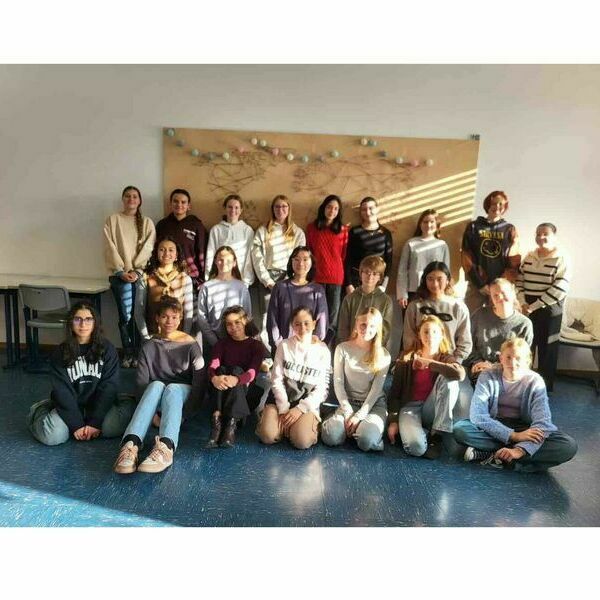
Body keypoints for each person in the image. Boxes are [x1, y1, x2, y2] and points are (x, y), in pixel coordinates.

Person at [454, 338, 577, 472]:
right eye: (508, 357)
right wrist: (514, 436)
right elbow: (478, 416)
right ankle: (515, 461)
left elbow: (543, 423)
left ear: (527, 361)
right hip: (494, 425)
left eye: (518, 358)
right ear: (501, 358)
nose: (512, 363)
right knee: (461, 430)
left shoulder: (535, 382)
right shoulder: (487, 376)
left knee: (568, 446)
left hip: (525, 428)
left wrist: (520, 450)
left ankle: (494, 454)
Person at [113, 298, 205, 474]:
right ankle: (131, 444)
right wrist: (154, 415)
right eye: (164, 316)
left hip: (180, 398)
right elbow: (141, 383)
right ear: (157, 318)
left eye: (174, 317)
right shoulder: (149, 346)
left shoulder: (191, 345)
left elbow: (200, 384)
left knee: (173, 388)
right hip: (155, 399)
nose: (169, 321)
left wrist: (185, 414)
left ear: (180, 319)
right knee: (155, 384)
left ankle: (166, 447)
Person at [27, 302, 135, 446]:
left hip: (98, 403)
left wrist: (95, 422)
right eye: (78, 319)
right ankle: (40, 410)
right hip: (71, 404)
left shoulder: (107, 349)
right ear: (71, 323)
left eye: (88, 319)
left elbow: (109, 385)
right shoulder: (60, 352)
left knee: (110, 428)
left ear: (95, 322)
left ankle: (124, 402)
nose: (83, 324)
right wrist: (76, 424)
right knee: (53, 436)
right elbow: (62, 390)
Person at [387, 315, 465, 459]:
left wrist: (429, 363)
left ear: (442, 335)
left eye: (434, 332)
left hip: (432, 407)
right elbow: (395, 392)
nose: (430, 336)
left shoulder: (446, 358)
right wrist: (393, 421)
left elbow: (459, 374)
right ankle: (423, 433)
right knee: (416, 448)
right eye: (426, 332)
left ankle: (436, 436)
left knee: (450, 381)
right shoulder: (406, 357)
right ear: (419, 335)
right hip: (410, 408)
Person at [256, 306, 331, 450]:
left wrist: (300, 409)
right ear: (292, 325)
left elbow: (323, 389)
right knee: (267, 436)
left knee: (301, 441)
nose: (302, 328)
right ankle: (272, 420)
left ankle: (305, 425)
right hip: (281, 401)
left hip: (305, 405)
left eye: (306, 323)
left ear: (314, 324)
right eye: (297, 324)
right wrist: (283, 408)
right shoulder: (284, 345)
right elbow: (276, 380)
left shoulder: (323, 351)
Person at [322, 308, 391, 452]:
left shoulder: (384, 355)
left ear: (378, 328)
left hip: (373, 405)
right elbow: (338, 382)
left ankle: (367, 431)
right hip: (349, 403)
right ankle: (345, 425)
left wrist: (359, 416)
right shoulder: (342, 348)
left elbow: (376, 390)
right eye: (363, 324)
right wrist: (348, 411)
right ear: (356, 323)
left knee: (367, 440)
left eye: (372, 326)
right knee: (331, 437)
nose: (367, 329)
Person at [103, 185, 156, 367]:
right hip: (119, 276)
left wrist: (137, 271)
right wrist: (121, 271)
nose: (131, 199)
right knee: (125, 316)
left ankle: (140, 353)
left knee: (139, 315)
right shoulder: (113, 220)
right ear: (122, 199)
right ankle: (128, 353)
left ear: (139, 201)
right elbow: (109, 247)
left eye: (135, 196)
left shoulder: (147, 223)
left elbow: (148, 248)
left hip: (139, 276)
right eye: (127, 196)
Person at [516, 223, 571, 391]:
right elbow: (519, 280)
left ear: (554, 236)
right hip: (527, 306)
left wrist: (535, 306)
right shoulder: (529, 256)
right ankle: (522, 383)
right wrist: (523, 302)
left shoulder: (562, 258)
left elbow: (560, 288)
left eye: (545, 234)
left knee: (547, 348)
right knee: (526, 345)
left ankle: (543, 388)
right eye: (538, 234)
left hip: (550, 307)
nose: (541, 237)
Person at [205, 306, 266, 449]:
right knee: (221, 370)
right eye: (229, 324)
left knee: (236, 370)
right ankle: (218, 422)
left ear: (245, 321)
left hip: (246, 392)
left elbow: (252, 372)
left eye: (237, 322)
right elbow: (213, 366)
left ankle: (229, 423)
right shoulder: (221, 344)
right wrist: (214, 378)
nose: (233, 327)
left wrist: (237, 379)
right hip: (222, 390)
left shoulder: (256, 346)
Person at [251, 195, 306, 342]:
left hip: (288, 278)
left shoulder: (297, 232)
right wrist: (267, 280)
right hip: (268, 278)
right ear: (272, 209)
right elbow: (256, 256)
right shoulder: (263, 230)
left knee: (288, 314)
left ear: (289, 209)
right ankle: (268, 351)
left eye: (284, 206)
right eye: (277, 206)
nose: (280, 209)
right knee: (266, 317)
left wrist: (290, 279)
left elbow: (300, 257)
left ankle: (286, 347)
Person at [461, 190, 520, 314]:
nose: (497, 207)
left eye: (500, 204)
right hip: (477, 284)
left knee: (500, 316)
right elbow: (466, 256)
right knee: (471, 316)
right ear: (487, 205)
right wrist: (480, 284)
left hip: (500, 286)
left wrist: (502, 283)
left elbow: (514, 259)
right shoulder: (473, 227)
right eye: (494, 203)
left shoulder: (509, 229)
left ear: (505, 207)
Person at [403, 261, 472, 363]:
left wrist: (455, 362)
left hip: (449, 361)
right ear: (424, 280)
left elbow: (465, 341)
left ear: (447, 280)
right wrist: (417, 359)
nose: (435, 284)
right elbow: (408, 338)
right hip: (421, 361)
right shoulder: (415, 307)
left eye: (439, 279)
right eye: (430, 279)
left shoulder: (458, 307)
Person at [467, 278, 533, 381]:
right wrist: (478, 363)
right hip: (481, 370)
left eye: (503, 293)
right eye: (495, 295)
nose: (500, 297)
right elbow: (468, 345)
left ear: (513, 292)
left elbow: (523, 357)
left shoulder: (524, 324)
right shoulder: (479, 315)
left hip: (510, 370)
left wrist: (495, 367)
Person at [266, 246, 328, 353]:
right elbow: (272, 319)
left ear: (311, 263)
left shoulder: (317, 290)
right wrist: (279, 344)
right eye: (297, 259)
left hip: (309, 348)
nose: (301, 263)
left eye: (305, 259)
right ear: (291, 262)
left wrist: (313, 341)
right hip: (283, 347)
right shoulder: (280, 287)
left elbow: (322, 320)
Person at [134, 236, 194, 344]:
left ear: (176, 255)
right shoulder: (145, 278)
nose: (166, 253)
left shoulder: (185, 279)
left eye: (171, 250)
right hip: (152, 337)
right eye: (162, 249)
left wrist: (183, 338)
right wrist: (146, 338)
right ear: (156, 253)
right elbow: (139, 312)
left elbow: (188, 312)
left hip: (177, 338)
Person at [306, 194, 349, 339]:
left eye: (336, 209)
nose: (332, 211)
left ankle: (327, 348)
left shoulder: (343, 230)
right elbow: (309, 252)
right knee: (314, 315)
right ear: (323, 208)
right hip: (316, 278)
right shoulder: (312, 228)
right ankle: (313, 345)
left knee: (332, 318)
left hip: (336, 279)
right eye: (329, 207)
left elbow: (343, 255)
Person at [197, 245, 252, 351]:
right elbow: (202, 318)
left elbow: (247, 315)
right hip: (212, 344)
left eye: (228, 260)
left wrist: (239, 338)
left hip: (237, 342)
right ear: (215, 261)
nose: (224, 263)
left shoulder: (241, 287)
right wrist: (215, 343)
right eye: (220, 260)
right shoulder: (207, 287)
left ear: (234, 263)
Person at [155, 188, 208, 291]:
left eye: (183, 202)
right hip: (166, 275)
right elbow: (156, 250)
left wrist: (202, 278)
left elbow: (202, 252)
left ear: (189, 206)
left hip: (191, 276)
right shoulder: (162, 225)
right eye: (175, 201)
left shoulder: (196, 225)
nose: (179, 205)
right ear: (170, 204)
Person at [396, 209, 450, 309]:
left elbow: (446, 271)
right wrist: (402, 293)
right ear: (420, 224)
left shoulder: (442, 245)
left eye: (432, 222)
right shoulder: (411, 243)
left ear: (437, 224)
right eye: (425, 222)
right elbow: (402, 270)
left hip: (435, 290)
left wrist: (444, 291)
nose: (428, 225)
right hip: (413, 291)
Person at [337, 255, 393, 349]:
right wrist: (348, 346)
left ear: (380, 277)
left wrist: (374, 347)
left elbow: (386, 330)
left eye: (375, 274)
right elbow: (343, 328)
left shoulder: (386, 301)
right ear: (361, 273)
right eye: (367, 272)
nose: (370, 276)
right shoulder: (349, 299)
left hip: (374, 349)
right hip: (351, 347)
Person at [344, 197, 393, 293]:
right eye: (364, 209)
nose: (367, 212)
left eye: (371, 208)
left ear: (377, 209)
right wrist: (348, 284)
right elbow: (348, 259)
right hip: (357, 280)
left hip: (378, 281)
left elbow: (389, 261)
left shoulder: (385, 233)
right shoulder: (355, 232)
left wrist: (383, 285)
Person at [205, 194, 255, 287]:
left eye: (236, 207)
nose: (233, 210)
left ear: (241, 210)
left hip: (240, 280)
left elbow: (249, 257)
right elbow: (210, 254)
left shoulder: (247, 230)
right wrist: (208, 277)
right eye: (230, 207)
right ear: (225, 208)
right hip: (219, 279)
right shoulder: (216, 230)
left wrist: (246, 280)